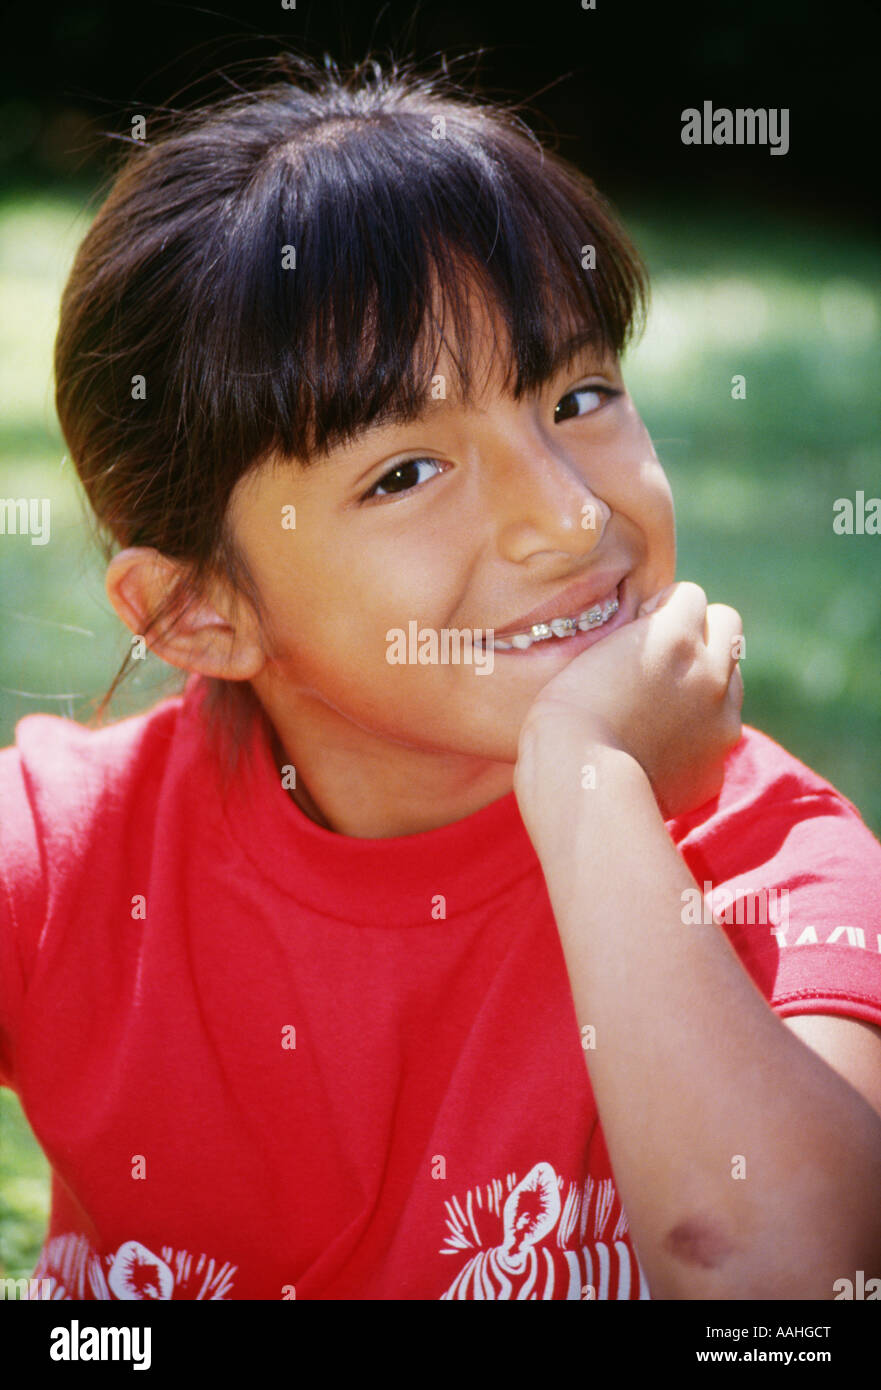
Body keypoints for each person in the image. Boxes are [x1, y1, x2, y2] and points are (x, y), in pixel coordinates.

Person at [1, 53, 879, 1302]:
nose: (568, 517)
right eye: (405, 472)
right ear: (199, 609)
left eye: (577, 394)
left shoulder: (764, 862)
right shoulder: (68, 860)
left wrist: (588, 792)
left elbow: (792, 1285)